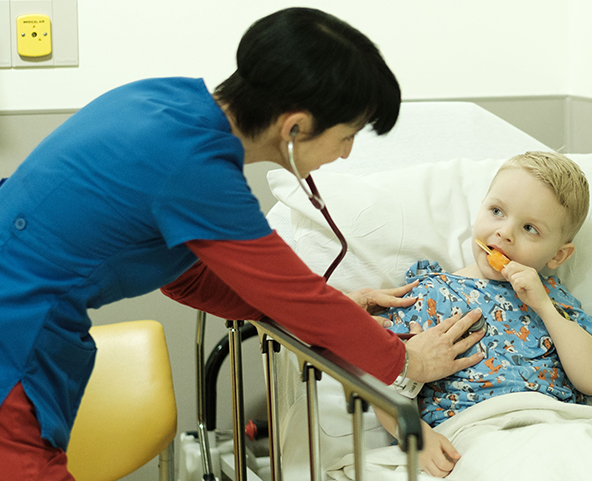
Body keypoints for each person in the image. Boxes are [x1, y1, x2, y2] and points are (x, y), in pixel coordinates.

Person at [0, 8, 484, 480]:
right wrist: (408, 361)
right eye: (347, 135)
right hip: (15, 325)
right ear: (294, 127)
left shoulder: (164, 101)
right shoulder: (196, 167)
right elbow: (291, 293)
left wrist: (333, 305)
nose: (347, 153)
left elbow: (183, 273)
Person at [374, 152, 592, 477]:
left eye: (530, 228)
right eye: (497, 211)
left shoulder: (557, 304)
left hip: (558, 423)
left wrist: (544, 307)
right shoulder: (432, 294)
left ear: (558, 255)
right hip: (477, 432)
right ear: (479, 211)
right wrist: (418, 438)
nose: (504, 233)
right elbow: (386, 383)